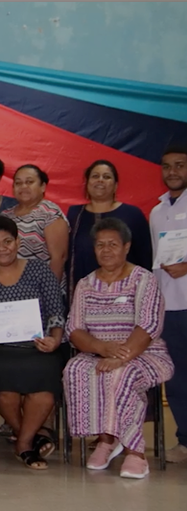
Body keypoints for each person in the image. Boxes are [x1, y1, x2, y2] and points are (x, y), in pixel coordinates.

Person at [63, 218, 174, 479]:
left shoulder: (143, 280)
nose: (106, 250)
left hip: (145, 353)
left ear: (126, 247)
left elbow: (148, 326)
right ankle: (106, 439)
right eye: (100, 245)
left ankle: (135, 452)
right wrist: (101, 348)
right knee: (75, 369)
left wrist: (121, 357)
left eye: (113, 244)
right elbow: (75, 330)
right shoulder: (85, 284)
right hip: (98, 352)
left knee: (120, 375)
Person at [0, 216, 66, 470]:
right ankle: (29, 439)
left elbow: (56, 312)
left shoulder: (39, 270)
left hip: (37, 347)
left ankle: (23, 442)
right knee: (1, 379)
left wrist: (55, 339)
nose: (2, 248)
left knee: (45, 379)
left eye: (7, 241)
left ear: (18, 242)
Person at [150, 144, 187, 463]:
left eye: (180, 165)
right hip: (170, 308)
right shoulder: (157, 210)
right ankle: (185, 441)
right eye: (167, 166)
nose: (172, 172)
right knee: (176, 377)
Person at [66, 160, 153, 294]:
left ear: (115, 185)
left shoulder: (132, 214)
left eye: (106, 177)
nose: (100, 180)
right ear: (87, 183)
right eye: (95, 176)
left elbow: (145, 257)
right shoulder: (75, 214)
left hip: (125, 294)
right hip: (83, 294)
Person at [0, 164, 69, 283]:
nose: (23, 186)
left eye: (29, 182)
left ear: (42, 186)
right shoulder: (6, 216)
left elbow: (59, 258)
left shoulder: (50, 213)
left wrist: (49, 292)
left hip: (42, 289)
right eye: (18, 183)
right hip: (11, 289)